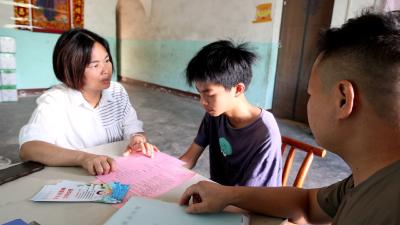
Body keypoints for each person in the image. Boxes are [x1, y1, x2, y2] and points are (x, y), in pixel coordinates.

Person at [179, 10, 400, 225]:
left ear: (343, 100)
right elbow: (307, 203)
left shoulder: (386, 208)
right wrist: (228, 195)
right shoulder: (362, 183)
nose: (308, 102)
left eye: (310, 93)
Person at [19, 28, 158, 176]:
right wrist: (83, 158)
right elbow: (29, 148)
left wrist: (137, 138)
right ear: (72, 68)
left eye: (107, 60)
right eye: (95, 65)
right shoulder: (56, 100)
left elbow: (131, 125)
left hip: (116, 173)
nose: (106, 70)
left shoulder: (116, 91)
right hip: (75, 177)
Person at [179, 40, 282, 187]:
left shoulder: (264, 132)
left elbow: (253, 198)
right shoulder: (214, 115)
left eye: (209, 94)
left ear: (238, 89)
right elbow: (189, 158)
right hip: (219, 196)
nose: (202, 101)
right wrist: (164, 173)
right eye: (199, 94)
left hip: (245, 205)